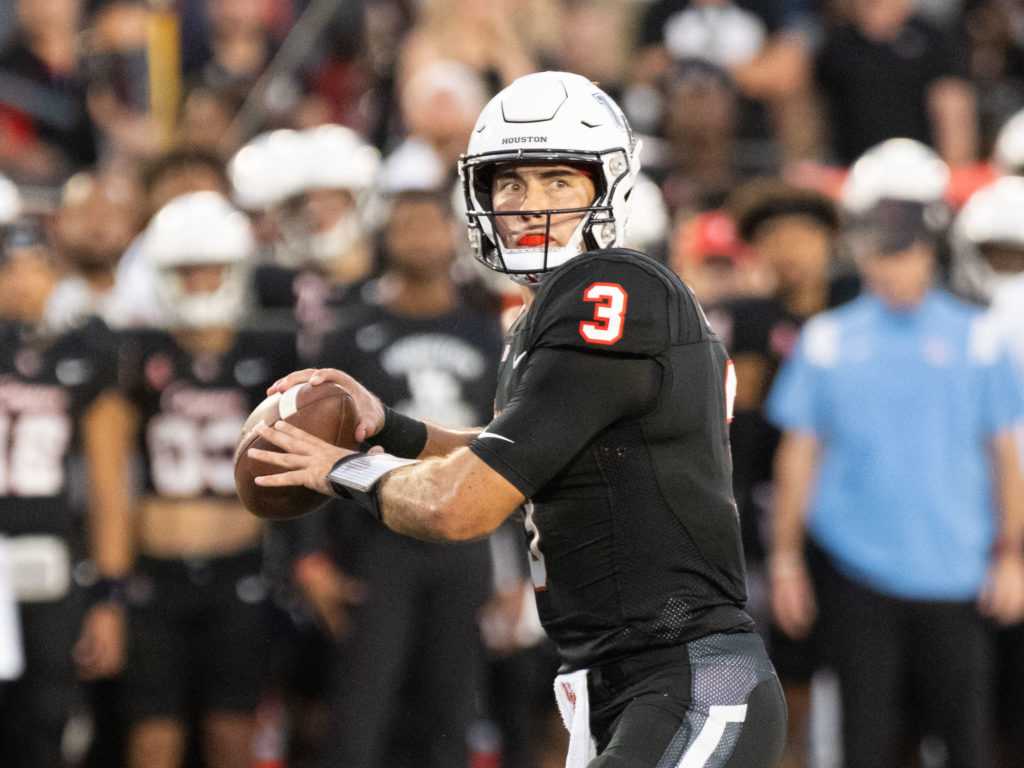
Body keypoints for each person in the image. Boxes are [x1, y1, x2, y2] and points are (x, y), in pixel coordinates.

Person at [250, 70, 787, 768]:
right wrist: (389, 427)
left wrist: (340, 467)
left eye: (557, 181)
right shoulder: (549, 314)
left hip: (688, 676)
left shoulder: (608, 289)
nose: (529, 204)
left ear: (608, 187)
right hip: (632, 681)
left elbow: (458, 509)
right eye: (510, 184)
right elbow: (526, 459)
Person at [766, 139, 1024, 768]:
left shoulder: (981, 338)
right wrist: (785, 559)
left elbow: (1004, 454)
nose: (889, 270)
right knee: (865, 741)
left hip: (958, 570)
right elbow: (797, 457)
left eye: (901, 254)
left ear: (928, 254)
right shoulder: (828, 340)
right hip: (858, 570)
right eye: (878, 256)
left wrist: (1011, 554)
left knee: (964, 740)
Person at [293, 187, 501, 768]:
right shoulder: (349, 335)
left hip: (466, 535)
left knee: (452, 711)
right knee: (361, 705)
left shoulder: (486, 332)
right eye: (403, 226)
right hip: (376, 538)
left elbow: (509, 451)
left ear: (453, 233)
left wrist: (512, 564)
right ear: (384, 238)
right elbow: (314, 453)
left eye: (428, 225)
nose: (417, 238)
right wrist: (310, 557)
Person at [116, 191, 297, 768]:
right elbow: (112, 471)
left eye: (209, 268)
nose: (198, 282)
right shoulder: (135, 352)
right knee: (152, 742)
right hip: (156, 574)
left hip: (238, 570)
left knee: (232, 737)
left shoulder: (270, 352)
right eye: (184, 270)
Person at [0, 210, 132, 767]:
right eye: (9, 269)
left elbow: (109, 485)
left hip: (50, 553)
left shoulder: (85, 348)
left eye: (36, 267)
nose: (23, 282)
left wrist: (110, 595)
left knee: (49, 727)